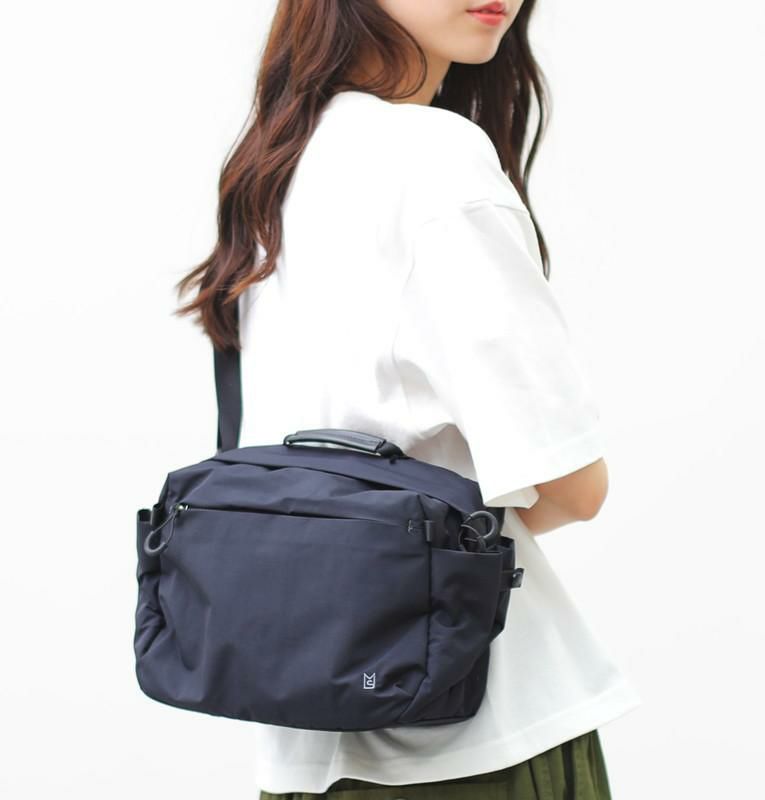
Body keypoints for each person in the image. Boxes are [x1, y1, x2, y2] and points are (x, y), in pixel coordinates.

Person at [174, 1, 642, 797]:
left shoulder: (271, 163)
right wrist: (431, 541)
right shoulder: (435, 158)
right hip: (477, 739)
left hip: (301, 746)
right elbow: (572, 484)